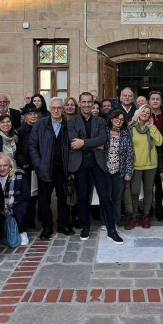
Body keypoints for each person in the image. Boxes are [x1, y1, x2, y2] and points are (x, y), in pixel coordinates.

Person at [67, 92, 124, 244]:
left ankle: (112, 230)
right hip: (80, 165)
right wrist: (94, 144)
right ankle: (86, 227)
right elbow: (73, 142)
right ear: (79, 103)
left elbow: (103, 139)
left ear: (93, 103)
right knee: (83, 197)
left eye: (89, 102)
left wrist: (84, 143)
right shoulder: (72, 122)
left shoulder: (100, 121)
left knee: (105, 197)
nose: (86, 104)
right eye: (83, 102)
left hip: (98, 164)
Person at [29, 97, 75, 238]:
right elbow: (32, 146)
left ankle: (63, 225)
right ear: (49, 109)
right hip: (45, 169)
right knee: (44, 200)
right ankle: (47, 227)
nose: (56, 110)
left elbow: (73, 148)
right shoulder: (40, 124)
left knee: (63, 198)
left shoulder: (68, 125)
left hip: (62, 169)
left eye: (59, 108)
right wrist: (39, 164)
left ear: (63, 109)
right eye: (53, 108)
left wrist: (71, 168)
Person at [125, 105, 162, 230]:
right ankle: (134, 216)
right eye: (143, 111)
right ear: (138, 112)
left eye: (148, 112)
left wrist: (151, 128)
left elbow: (159, 142)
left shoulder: (151, 127)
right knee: (134, 191)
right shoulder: (131, 127)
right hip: (136, 165)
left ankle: (145, 216)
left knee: (148, 191)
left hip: (151, 164)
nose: (145, 113)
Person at [0, 152, 31, 246]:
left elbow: (26, 195)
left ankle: (22, 231)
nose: (2, 168)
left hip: (15, 205)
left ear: (10, 165)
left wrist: (9, 200)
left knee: (22, 206)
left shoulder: (19, 176)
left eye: (5, 165)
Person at [105, 109, 134, 227]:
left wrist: (128, 172)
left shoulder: (126, 134)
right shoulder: (104, 132)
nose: (119, 121)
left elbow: (130, 154)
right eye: (117, 118)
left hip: (119, 171)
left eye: (122, 120)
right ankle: (105, 222)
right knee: (106, 197)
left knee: (117, 198)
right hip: (105, 171)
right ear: (112, 119)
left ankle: (115, 222)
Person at [16, 103, 41, 229]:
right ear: (26, 116)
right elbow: (18, 150)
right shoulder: (20, 131)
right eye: (30, 114)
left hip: (40, 166)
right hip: (27, 167)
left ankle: (40, 218)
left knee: (39, 194)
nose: (33, 116)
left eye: (35, 114)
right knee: (29, 195)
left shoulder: (41, 128)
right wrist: (24, 163)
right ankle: (29, 220)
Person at [148, 91, 163, 221]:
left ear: (161, 101)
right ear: (149, 101)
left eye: (158, 99)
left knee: (161, 185)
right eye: (153, 99)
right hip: (148, 153)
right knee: (148, 185)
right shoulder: (144, 114)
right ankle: (147, 210)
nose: (155, 101)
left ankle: (160, 210)